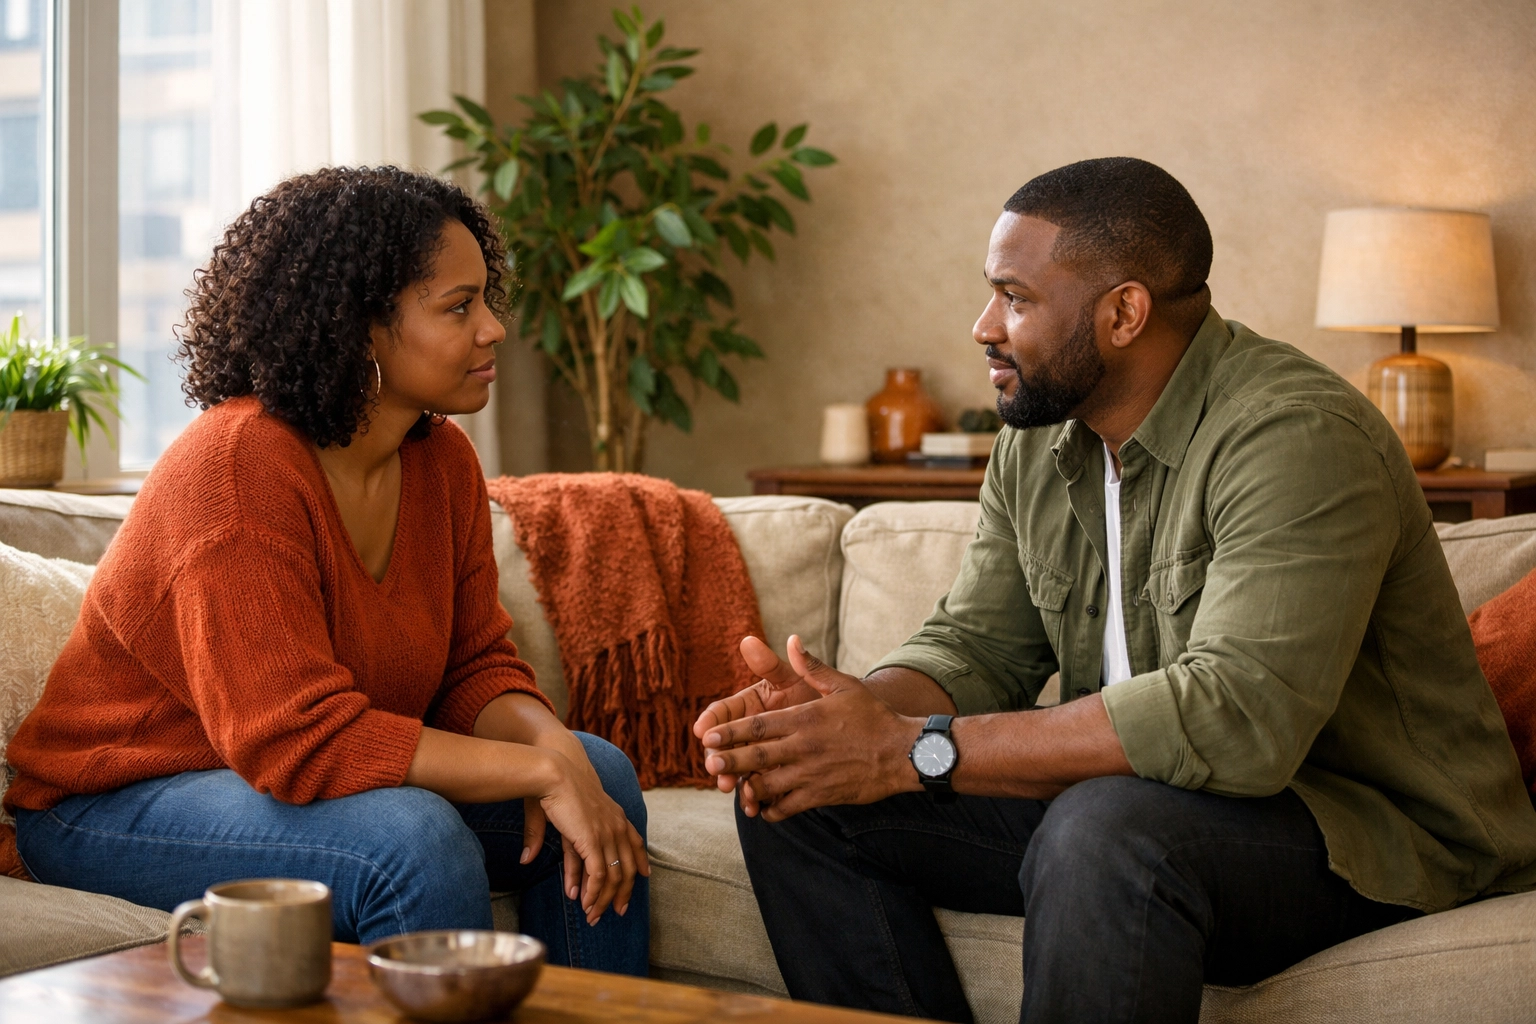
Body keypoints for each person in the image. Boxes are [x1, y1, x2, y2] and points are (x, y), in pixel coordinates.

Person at [693, 157, 1536, 1022]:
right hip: (1144, 807)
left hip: (1368, 834)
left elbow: (1238, 720)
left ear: (1124, 312)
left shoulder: (1295, 435)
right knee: (796, 794)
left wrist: (908, 750)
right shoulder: (1037, 438)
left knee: (1106, 828)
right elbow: (977, 644)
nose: (984, 326)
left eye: (1015, 298)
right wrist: (844, 724)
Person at [6, 166, 650, 973]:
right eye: (459, 306)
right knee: (409, 840)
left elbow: (474, 667)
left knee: (603, 774)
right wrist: (535, 771)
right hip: (111, 802)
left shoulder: (441, 458)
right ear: (359, 328)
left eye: (488, 299)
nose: (493, 329)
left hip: (267, 786)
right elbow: (294, 739)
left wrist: (558, 756)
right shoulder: (237, 469)